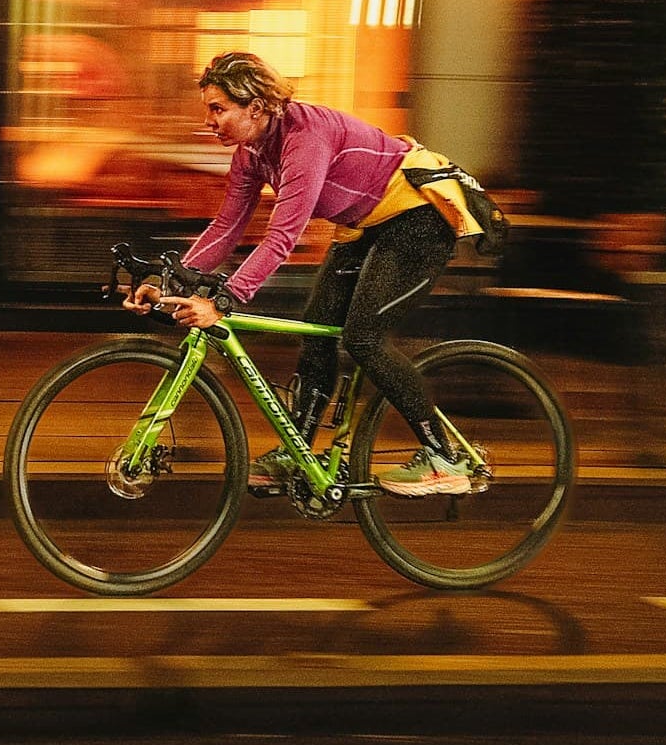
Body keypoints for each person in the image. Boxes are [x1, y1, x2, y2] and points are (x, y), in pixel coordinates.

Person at [126, 51, 489, 497]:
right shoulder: (251, 153)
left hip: (417, 221)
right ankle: (296, 452)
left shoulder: (305, 138)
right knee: (317, 330)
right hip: (365, 226)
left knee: (362, 338)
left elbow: (283, 234)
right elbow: (226, 228)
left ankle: (444, 458)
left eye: (218, 109)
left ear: (255, 108)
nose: (209, 121)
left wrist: (226, 299)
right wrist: (171, 282)